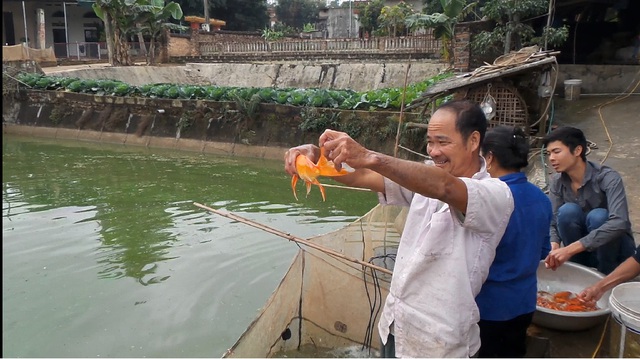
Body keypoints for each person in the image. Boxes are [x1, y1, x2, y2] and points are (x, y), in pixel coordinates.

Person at [284, 100, 514, 357]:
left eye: (443, 142)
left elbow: (445, 188)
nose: (434, 151)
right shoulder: (422, 178)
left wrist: (370, 157)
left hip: (439, 343)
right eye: (430, 142)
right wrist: (315, 157)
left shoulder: (495, 195)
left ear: (473, 141)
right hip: (396, 326)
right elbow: (359, 176)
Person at [475, 126, 552, 358]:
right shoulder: (541, 198)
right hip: (524, 303)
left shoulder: (487, 199)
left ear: (489, 158)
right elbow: (543, 251)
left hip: (488, 306)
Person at [543, 126, 636, 275]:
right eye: (548, 153)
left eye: (556, 152)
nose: (551, 158)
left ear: (578, 150)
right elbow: (553, 221)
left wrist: (571, 248)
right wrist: (554, 245)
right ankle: (579, 271)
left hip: (615, 253)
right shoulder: (557, 181)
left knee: (598, 216)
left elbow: (620, 222)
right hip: (579, 254)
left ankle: (606, 273)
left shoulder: (608, 177)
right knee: (567, 212)